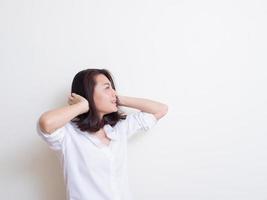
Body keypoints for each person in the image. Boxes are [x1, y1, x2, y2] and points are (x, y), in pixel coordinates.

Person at [36, 68, 168, 200]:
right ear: (88, 93)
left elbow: (160, 110)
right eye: (107, 88)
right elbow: (45, 123)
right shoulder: (67, 134)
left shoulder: (119, 128)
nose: (114, 93)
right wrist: (83, 106)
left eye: (113, 88)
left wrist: (118, 99)